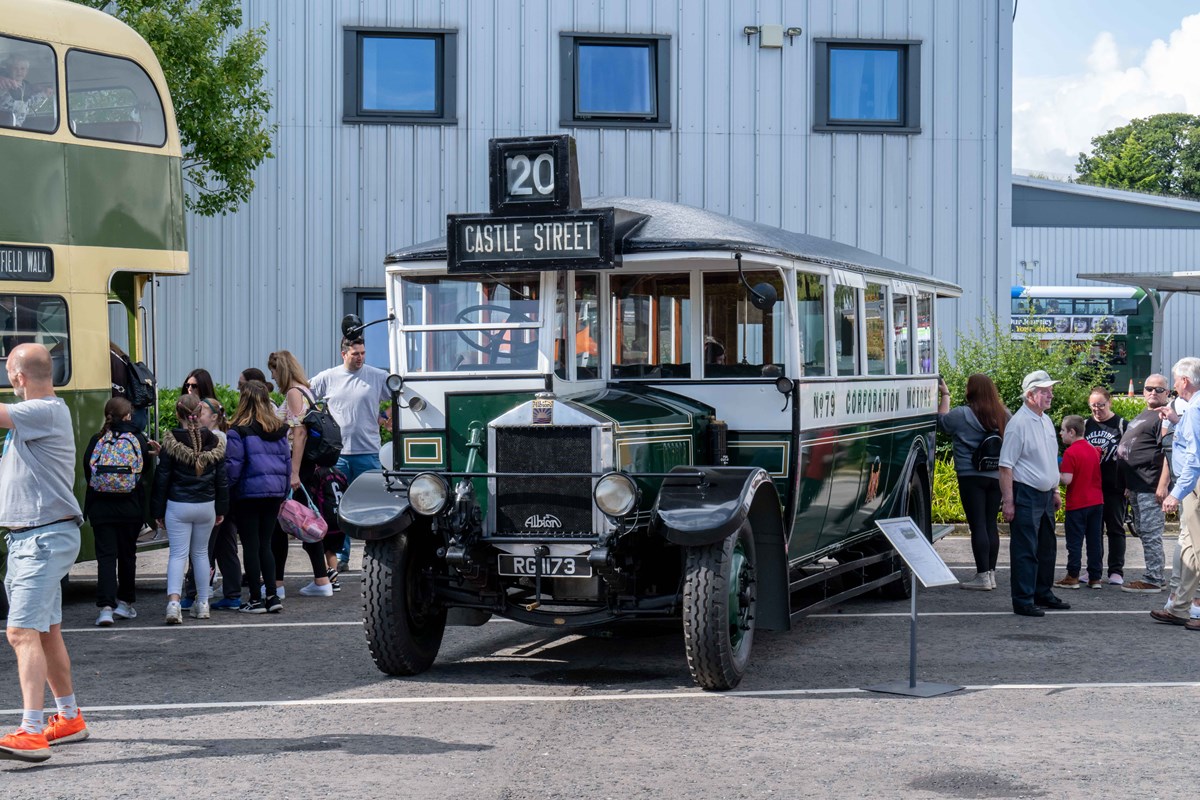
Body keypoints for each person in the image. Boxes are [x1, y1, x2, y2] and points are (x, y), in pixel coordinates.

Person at [0, 344, 89, 762]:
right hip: (31, 538)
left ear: (17, 376)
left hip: (41, 538)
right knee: (45, 631)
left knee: (19, 632)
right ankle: (68, 717)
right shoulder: (35, 416)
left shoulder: (43, 411)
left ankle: (31, 732)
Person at [310, 336, 392, 573]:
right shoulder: (329, 377)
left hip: (368, 452)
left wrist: (387, 417)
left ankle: (377, 554)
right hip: (338, 455)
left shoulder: (377, 376)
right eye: (356, 353)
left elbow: (401, 393)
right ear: (343, 354)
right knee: (339, 507)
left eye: (363, 353)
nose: (361, 358)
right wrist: (315, 425)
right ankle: (340, 556)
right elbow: (303, 395)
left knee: (372, 506)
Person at [999, 369, 1071, 617]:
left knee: (1046, 548)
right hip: (1026, 493)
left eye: (1050, 389)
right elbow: (1005, 466)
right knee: (1026, 549)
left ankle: (1042, 592)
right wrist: (1008, 502)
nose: (1051, 394)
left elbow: (1050, 459)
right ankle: (1023, 599)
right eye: (1045, 390)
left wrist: (1054, 490)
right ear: (1030, 395)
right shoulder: (1018, 425)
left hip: (1043, 494)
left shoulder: (1045, 420)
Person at [151, 393, 228, 624]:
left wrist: (157, 511)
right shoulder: (215, 441)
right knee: (201, 554)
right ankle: (203, 603)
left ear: (178, 414)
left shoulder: (170, 441)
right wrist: (222, 507)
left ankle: (174, 604)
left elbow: (161, 479)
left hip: (178, 505)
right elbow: (221, 479)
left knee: (177, 555)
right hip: (206, 505)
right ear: (199, 412)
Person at [267, 350, 333, 596]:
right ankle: (321, 580)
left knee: (282, 522)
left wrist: (293, 472)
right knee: (305, 520)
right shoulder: (306, 391)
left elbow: (299, 433)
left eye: (274, 371)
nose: (272, 377)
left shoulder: (294, 393)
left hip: (296, 467)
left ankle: (279, 584)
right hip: (305, 466)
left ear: (281, 369)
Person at [82, 396, 153, 626]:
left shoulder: (98, 439)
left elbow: (88, 470)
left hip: (101, 508)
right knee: (127, 555)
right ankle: (125, 604)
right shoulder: (138, 439)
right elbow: (145, 471)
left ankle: (105, 608)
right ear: (128, 416)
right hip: (130, 508)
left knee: (105, 557)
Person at [937, 373, 1009, 591]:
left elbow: (941, 423)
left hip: (970, 476)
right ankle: (992, 575)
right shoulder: (1003, 414)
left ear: (971, 391)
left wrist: (946, 394)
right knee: (990, 525)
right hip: (996, 475)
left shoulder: (961, 415)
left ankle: (982, 577)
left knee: (977, 525)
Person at [225, 380, 291, 614]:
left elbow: (234, 467)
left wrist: (226, 492)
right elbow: (286, 462)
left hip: (248, 494)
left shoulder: (237, 431)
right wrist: (283, 492)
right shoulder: (279, 429)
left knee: (251, 546)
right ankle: (272, 595)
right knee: (266, 545)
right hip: (274, 493)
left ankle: (255, 598)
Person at [1149, 358, 1200, 628]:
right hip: (1193, 482)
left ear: (1185, 381)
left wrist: (1176, 493)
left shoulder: (1195, 408)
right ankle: (1180, 608)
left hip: (1194, 482)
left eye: (1176, 380)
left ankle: (1184, 608)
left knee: (1198, 548)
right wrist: (1176, 421)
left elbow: (1194, 456)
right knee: (1190, 550)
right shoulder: (1192, 410)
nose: (1174, 386)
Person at [183, 397, 244, 611]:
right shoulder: (225, 437)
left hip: (211, 500)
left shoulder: (211, 438)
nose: (197, 415)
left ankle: (193, 594)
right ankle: (233, 593)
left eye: (202, 411)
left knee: (201, 549)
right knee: (226, 548)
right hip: (227, 500)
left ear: (215, 417)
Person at [1116, 374, 1172, 594]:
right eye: (1149, 388)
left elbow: (1169, 452)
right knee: (1142, 530)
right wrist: (1129, 483)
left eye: (1159, 390)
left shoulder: (1165, 417)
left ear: (1167, 393)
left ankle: (1154, 578)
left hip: (1150, 485)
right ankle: (1154, 574)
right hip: (1137, 485)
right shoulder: (1145, 414)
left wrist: (1162, 485)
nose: (1153, 392)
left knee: (1150, 531)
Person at [1053, 415, 1104, 590]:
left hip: (1078, 503)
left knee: (1074, 542)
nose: (1060, 434)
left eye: (1063, 430)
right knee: (1094, 540)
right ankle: (1095, 577)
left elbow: (1067, 479)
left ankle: (1072, 575)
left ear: (1072, 432)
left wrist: (1053, 475)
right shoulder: (1093, 450)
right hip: (1097, 501)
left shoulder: (1070, 452)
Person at [1084, 386, 1128, 585]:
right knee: (1093, 530)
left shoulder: (1121, 425)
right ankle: (1093, 570)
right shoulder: (1085, 425)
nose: (1097, 410)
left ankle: (1116, 571)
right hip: (1091, 487)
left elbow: (1131, 456)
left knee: (1115, 528)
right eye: (1093, 406)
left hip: (1114, 487)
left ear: (1109, 402)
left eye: (1100, 405)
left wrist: (1129, 484)